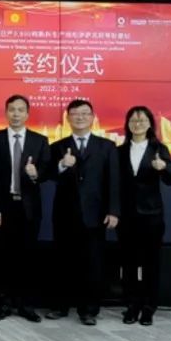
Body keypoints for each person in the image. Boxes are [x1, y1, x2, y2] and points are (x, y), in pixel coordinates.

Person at [47, 99, 120, 326]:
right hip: (65, 213)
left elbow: (114, 181)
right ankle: (60, 306)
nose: (80, 117)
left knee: (93, 263)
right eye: (75, 114)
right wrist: (62, 165)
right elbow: (47, 174)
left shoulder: (107, 146)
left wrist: (113, 211)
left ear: (92, 117)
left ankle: (88, 311)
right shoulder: (57, 146)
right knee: (63, 262)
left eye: (85, 113)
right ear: (68, 118)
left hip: (95, 214)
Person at [0, 94, 50, 323]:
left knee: (27, 258)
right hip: (2, 208)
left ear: (27, 113)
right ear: (6, 112)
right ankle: (3, 303)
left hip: (29, 209)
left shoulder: (40, 140)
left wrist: (36, 174)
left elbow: (46, 171)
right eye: (12, 110)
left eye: (20, 110)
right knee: (2, 257)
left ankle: (25, 305)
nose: (16, 114)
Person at [118, 106, 171, 326]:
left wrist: (162, 167)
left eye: (142, 120)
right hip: (126, 217)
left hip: (151, 216)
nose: (137, 124)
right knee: (129, 263)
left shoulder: (159, 148)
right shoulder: (119, 151)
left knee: (151, 263)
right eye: (133, 121)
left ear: (150, 124)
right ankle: (132, 305)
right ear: (128, 124)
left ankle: (149, 307)